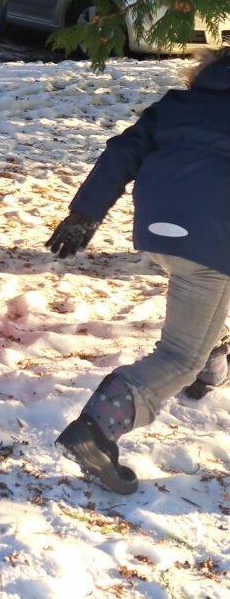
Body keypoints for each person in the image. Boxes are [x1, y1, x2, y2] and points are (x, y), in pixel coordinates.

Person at [46, 47, 230, 494]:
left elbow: (121, 152)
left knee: (205, 299)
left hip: (160, 229)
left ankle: (213, 357)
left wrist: (84, 214)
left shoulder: (177, 104)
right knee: (178, 357)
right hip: (210, 236)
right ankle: (97, 429)